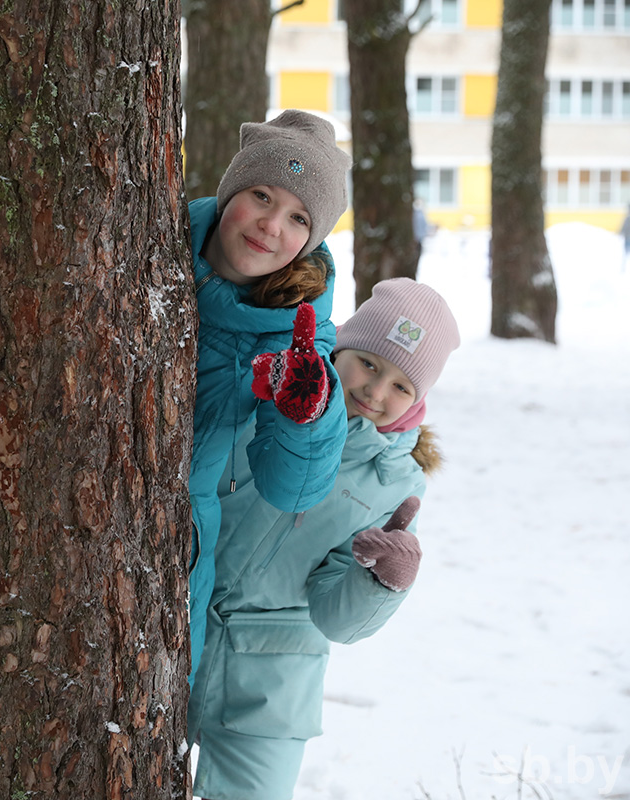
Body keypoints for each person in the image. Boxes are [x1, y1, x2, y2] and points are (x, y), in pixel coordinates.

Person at [188, 279, 461, 800]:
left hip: (273, 675)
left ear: (419, 400)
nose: (376, 392)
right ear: (341, 346)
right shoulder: (274, 391)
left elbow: (336, 617)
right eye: (370, 363)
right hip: (178, 624)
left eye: (403, 386)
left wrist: (380, 582)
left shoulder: (396, 485)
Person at [187, 110, 353, 679]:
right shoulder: (140, 251)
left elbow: (292, 489)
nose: (271, 225)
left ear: (312, 239)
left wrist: (307, 413)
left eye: (299, 216)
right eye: (260, 194)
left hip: (171, 548)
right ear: (229, 189)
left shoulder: (298, 331)